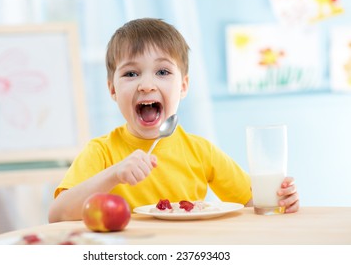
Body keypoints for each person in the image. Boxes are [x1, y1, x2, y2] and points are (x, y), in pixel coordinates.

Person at [48, 18, 299, 222]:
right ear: (112, 90)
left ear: (183, 86)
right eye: (131, 73)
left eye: (162, 72)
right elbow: (58, 215)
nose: (147, 85)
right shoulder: (101, 152)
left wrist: (281, 200)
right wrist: (114, 174)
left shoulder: (200, 151)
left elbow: (254, 203)